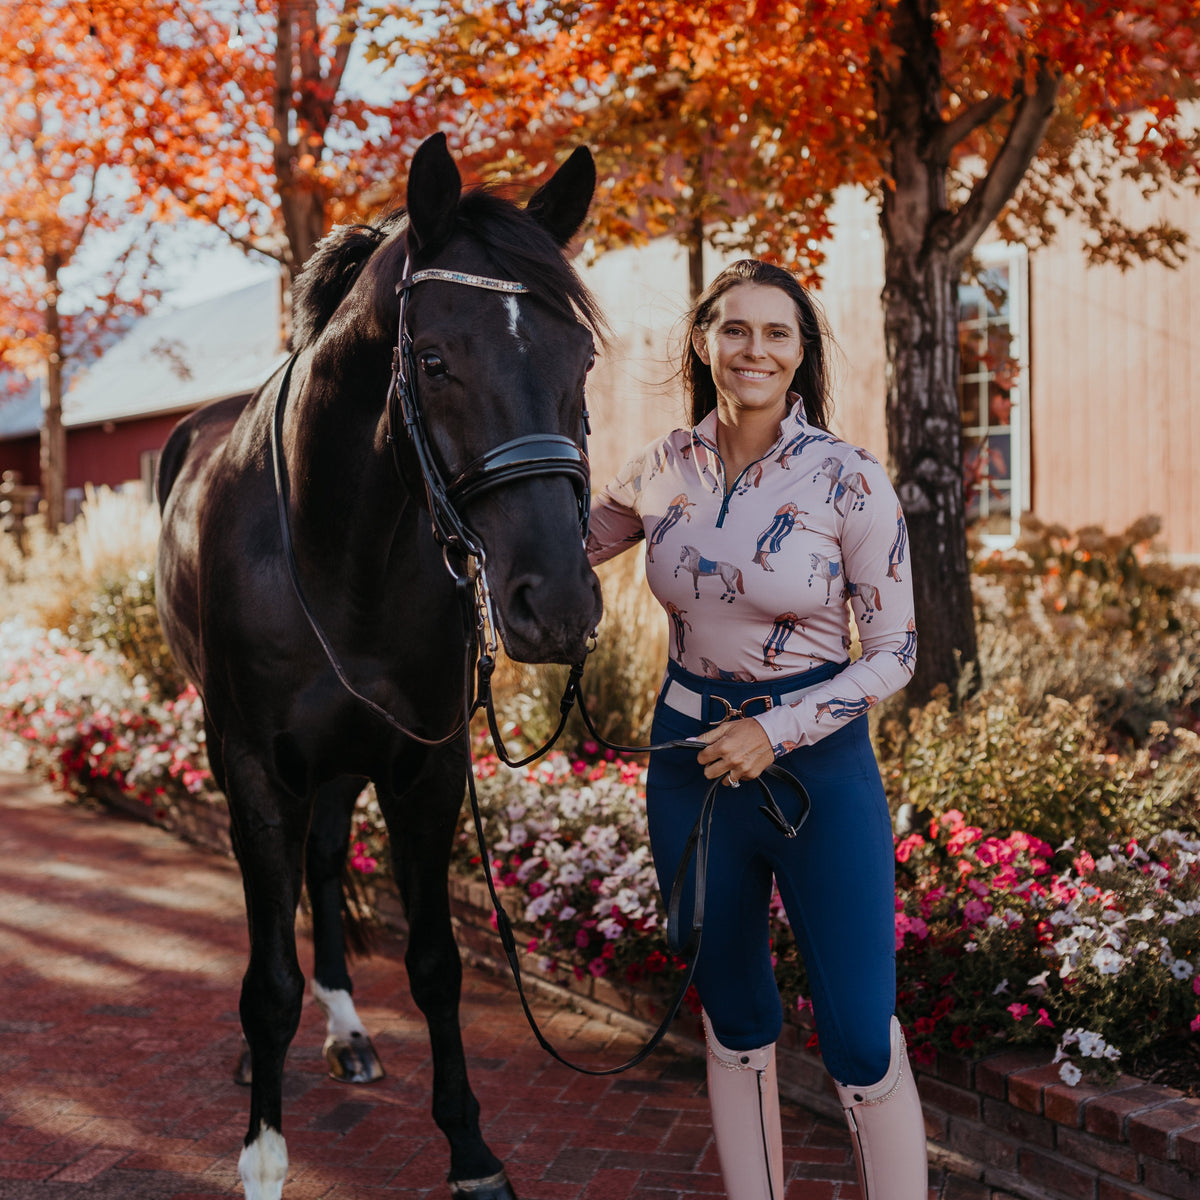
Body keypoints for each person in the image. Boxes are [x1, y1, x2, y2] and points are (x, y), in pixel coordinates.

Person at [587, 259, 926, 1200]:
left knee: (859, 1032)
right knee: (732, 1012)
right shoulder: (660, 466)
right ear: (704, 341)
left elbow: (894, 653)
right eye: (735, 329)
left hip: (816, 776)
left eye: (778, 333)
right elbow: (559, 551)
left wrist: (776, 731)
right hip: (687, 769)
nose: (755, 350)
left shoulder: (850, 480)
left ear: (802, 352)